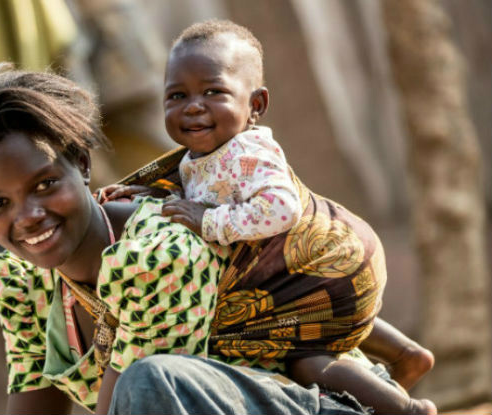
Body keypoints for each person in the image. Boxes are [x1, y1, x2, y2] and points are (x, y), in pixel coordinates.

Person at [0, 62, 386, 415]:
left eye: (44, 185)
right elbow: (34, 395)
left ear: (80, 163)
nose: (28, 218)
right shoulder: (19, 278)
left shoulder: (156, 253)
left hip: (311, 405)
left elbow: (130, 405)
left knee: (147, 382)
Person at [102, 19, 436, 414]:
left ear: (255, 105)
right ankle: (406, 354)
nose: (193, 106)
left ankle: (408, 410)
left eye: (214, 92)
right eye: (177, 95)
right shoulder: (198, 157)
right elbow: (200, 196)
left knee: (305, 357)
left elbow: (281, 209)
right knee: (301, 315)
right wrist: (148, 195)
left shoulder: (250, 153)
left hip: (329, 260)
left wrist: (209, 222)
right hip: (306, 275)